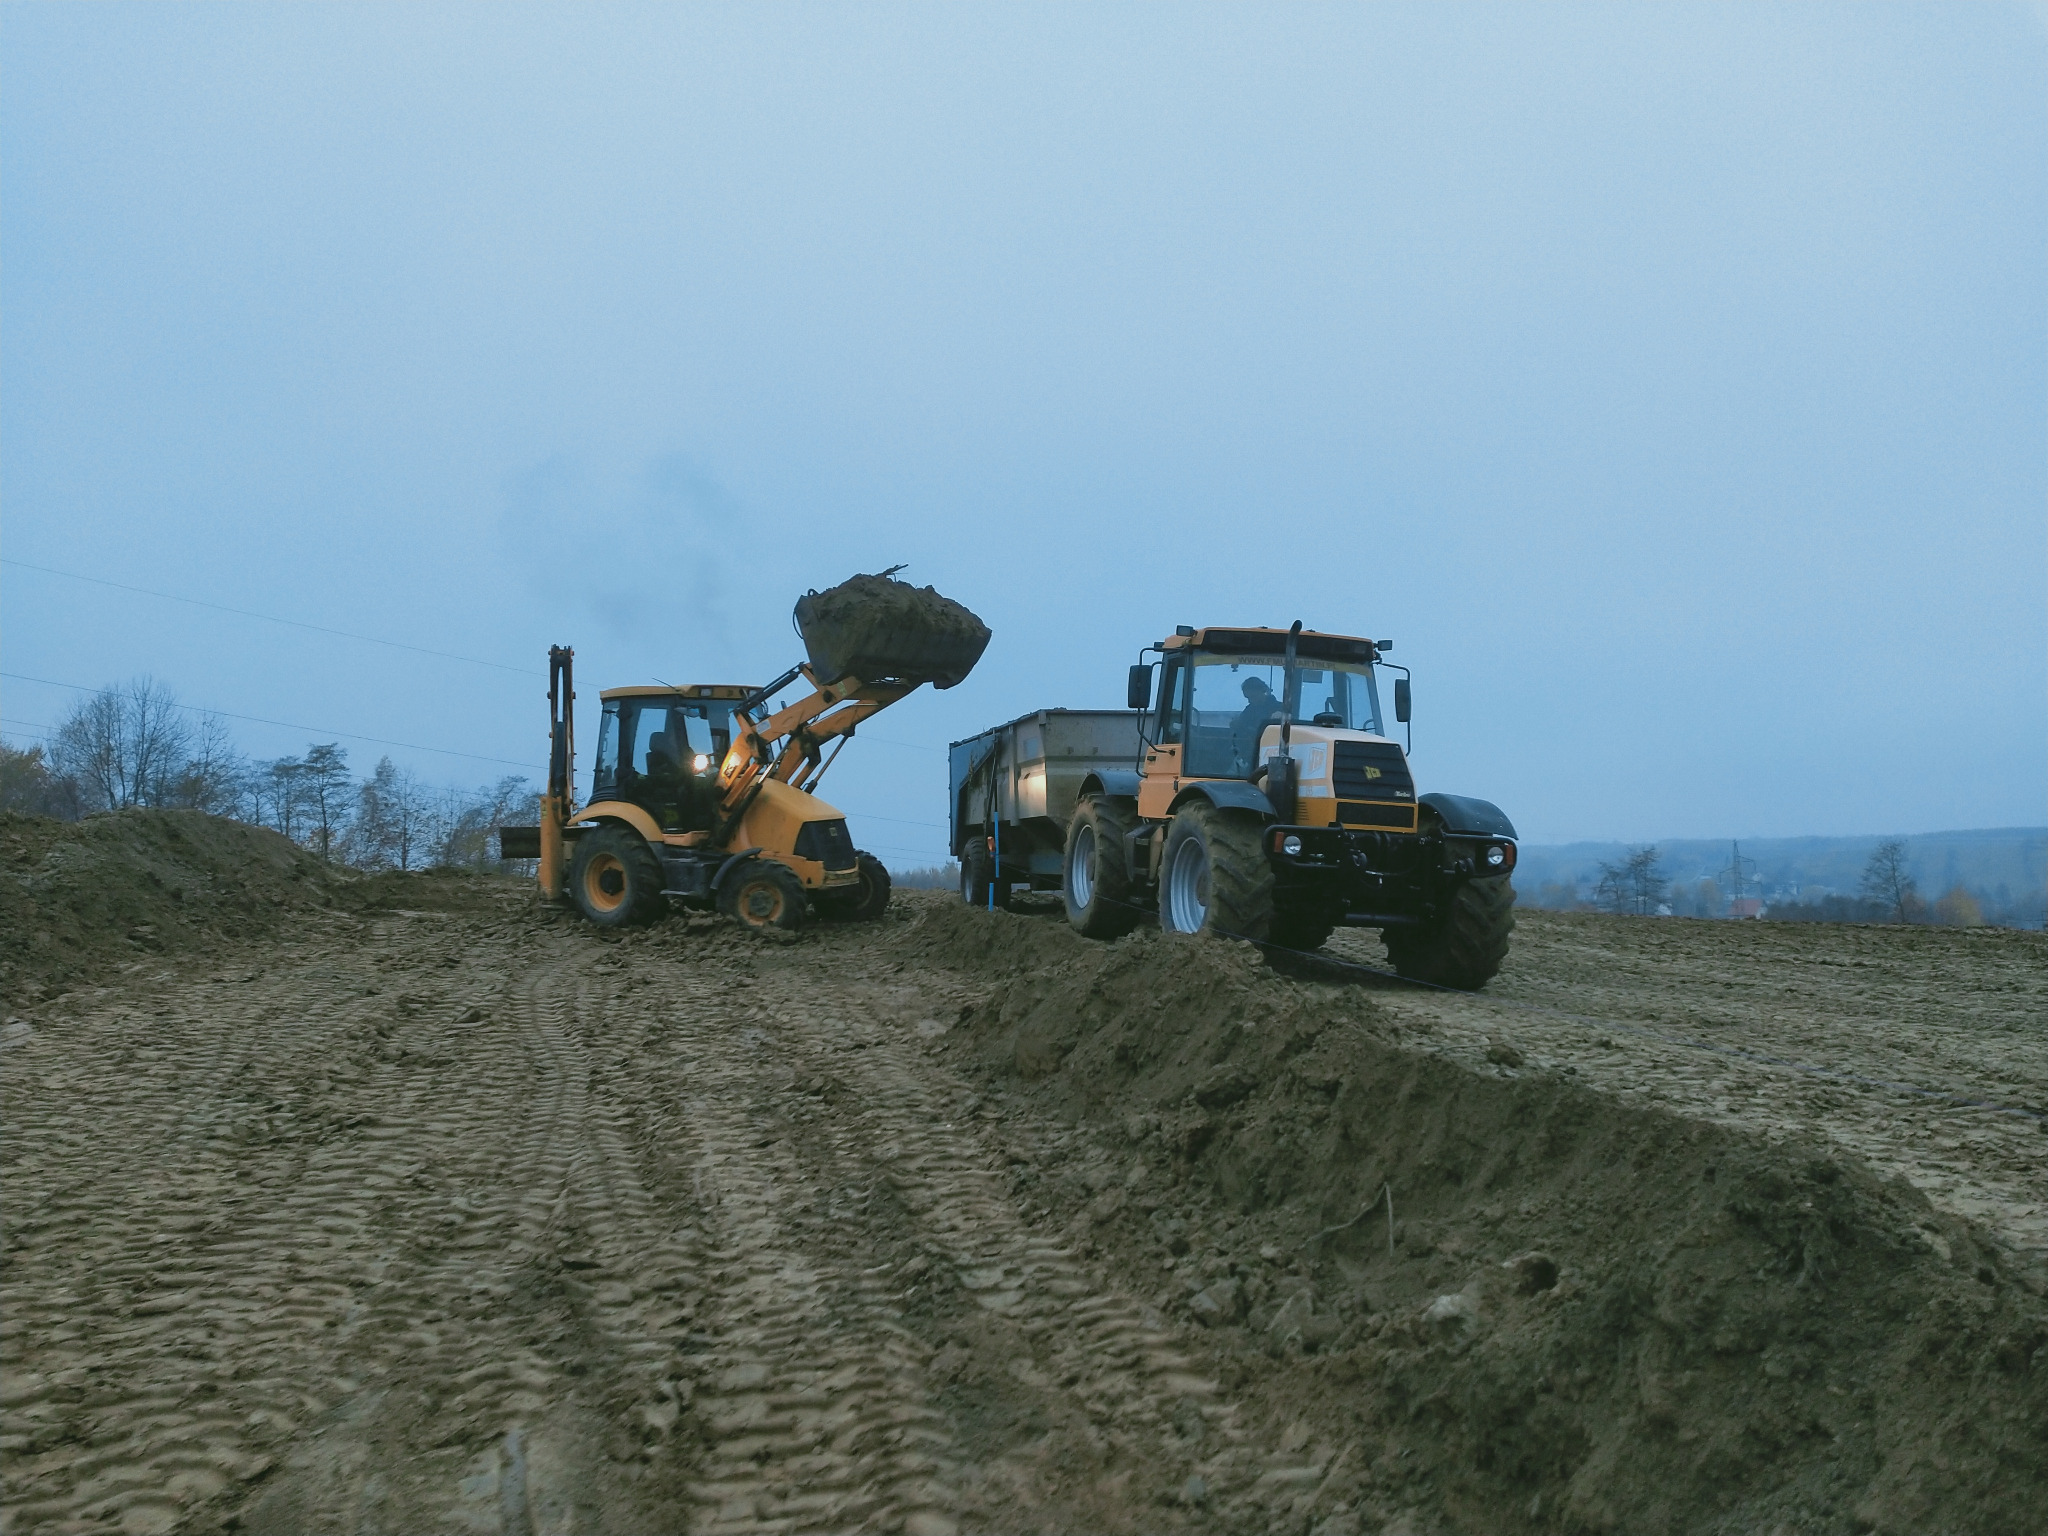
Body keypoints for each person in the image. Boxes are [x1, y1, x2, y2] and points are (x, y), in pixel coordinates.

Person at [1232, 676, 1283, 769]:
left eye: (1252, 697)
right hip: (1250, 750)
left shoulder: (1280, 708)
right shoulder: (1249, 710)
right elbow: (1241, 728)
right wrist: (1236, 724)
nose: (1249, 700)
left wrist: (1282, 717)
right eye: (1247, 697)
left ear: (1262, 691)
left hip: (1273, 750)